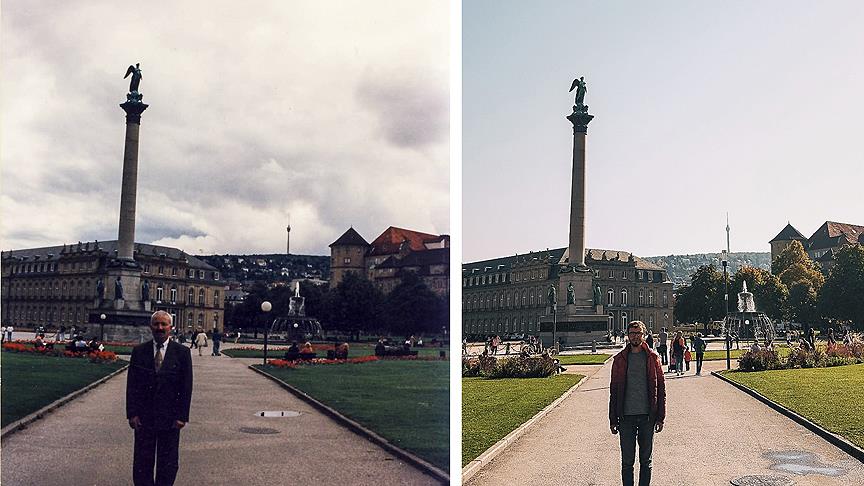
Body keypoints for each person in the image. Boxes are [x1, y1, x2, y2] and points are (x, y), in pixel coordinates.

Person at [126, 311, 193, 486]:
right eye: (156, 324)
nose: (160, 328)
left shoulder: (182, 353)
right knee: (142, 461)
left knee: (168, 462)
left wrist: (182, 416)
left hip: (170, 418)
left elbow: (186, 387)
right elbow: (132, 385)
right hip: (144, 417)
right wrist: (132, 414)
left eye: (163, 324)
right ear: (150, 327)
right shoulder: (139, 351)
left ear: (171, 327)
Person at [609, 320, 666, 486]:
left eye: (638, 333)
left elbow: (661, 388)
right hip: (626, 417)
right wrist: (613, 419)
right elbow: (614, 391)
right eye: (632, 333)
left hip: (647, 417)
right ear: (628, 335)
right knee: (627, 462)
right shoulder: (619, 360)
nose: (635, 336)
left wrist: (660, 417)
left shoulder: (653, 358)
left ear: (644, 335)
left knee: (646, 461)